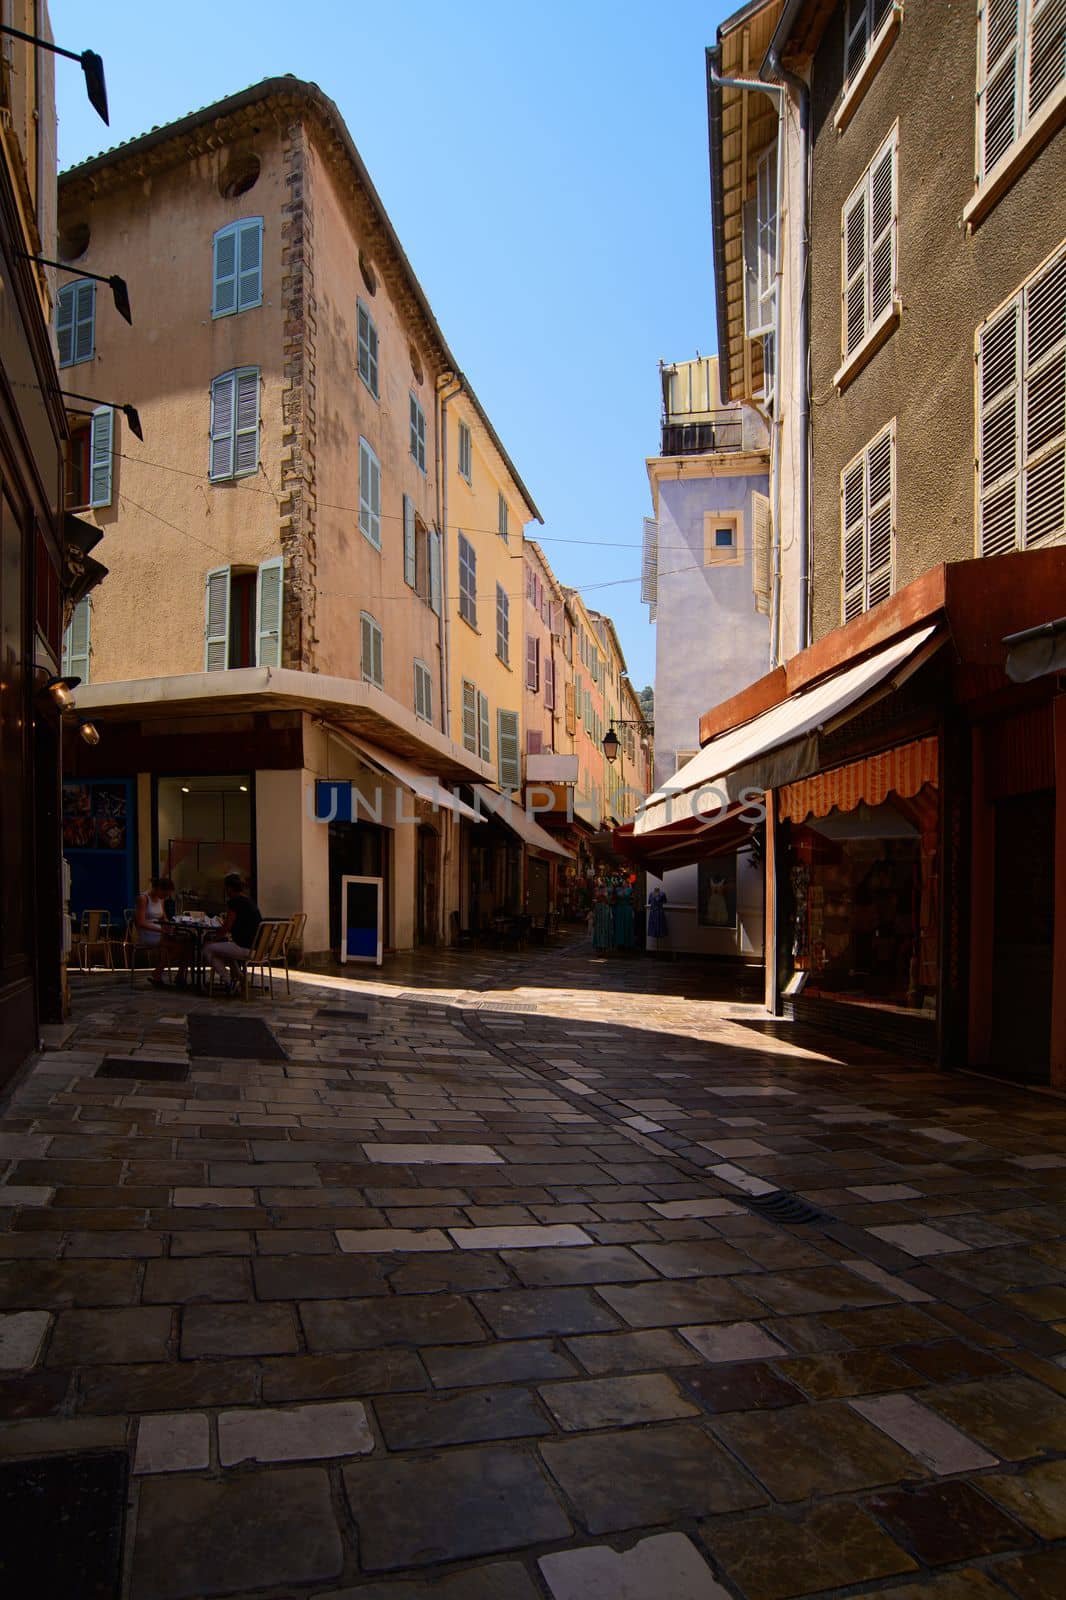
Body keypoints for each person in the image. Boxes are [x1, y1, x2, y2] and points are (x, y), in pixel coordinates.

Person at [204, 873, 262, 995]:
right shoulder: (249, 901)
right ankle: (240, 978)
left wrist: (214, 939)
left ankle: (228, 981)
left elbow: (227, 926)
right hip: (256, 948)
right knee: (224, 950)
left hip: (244, 947)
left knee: (208, 948)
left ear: (229, 888)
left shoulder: (235, 902)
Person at [136, 876, 190, 988]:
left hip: (160, 932)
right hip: (148, 933)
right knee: (178, 947)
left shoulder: (161, 900)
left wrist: (170, 926)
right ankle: (158, 972)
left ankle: (180, 976)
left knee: (187, 944)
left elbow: (163, 918)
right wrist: (160, 929)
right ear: (158, 888)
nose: (165, 897)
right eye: (165, 894)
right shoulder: (143, 898)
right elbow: (140, 922)